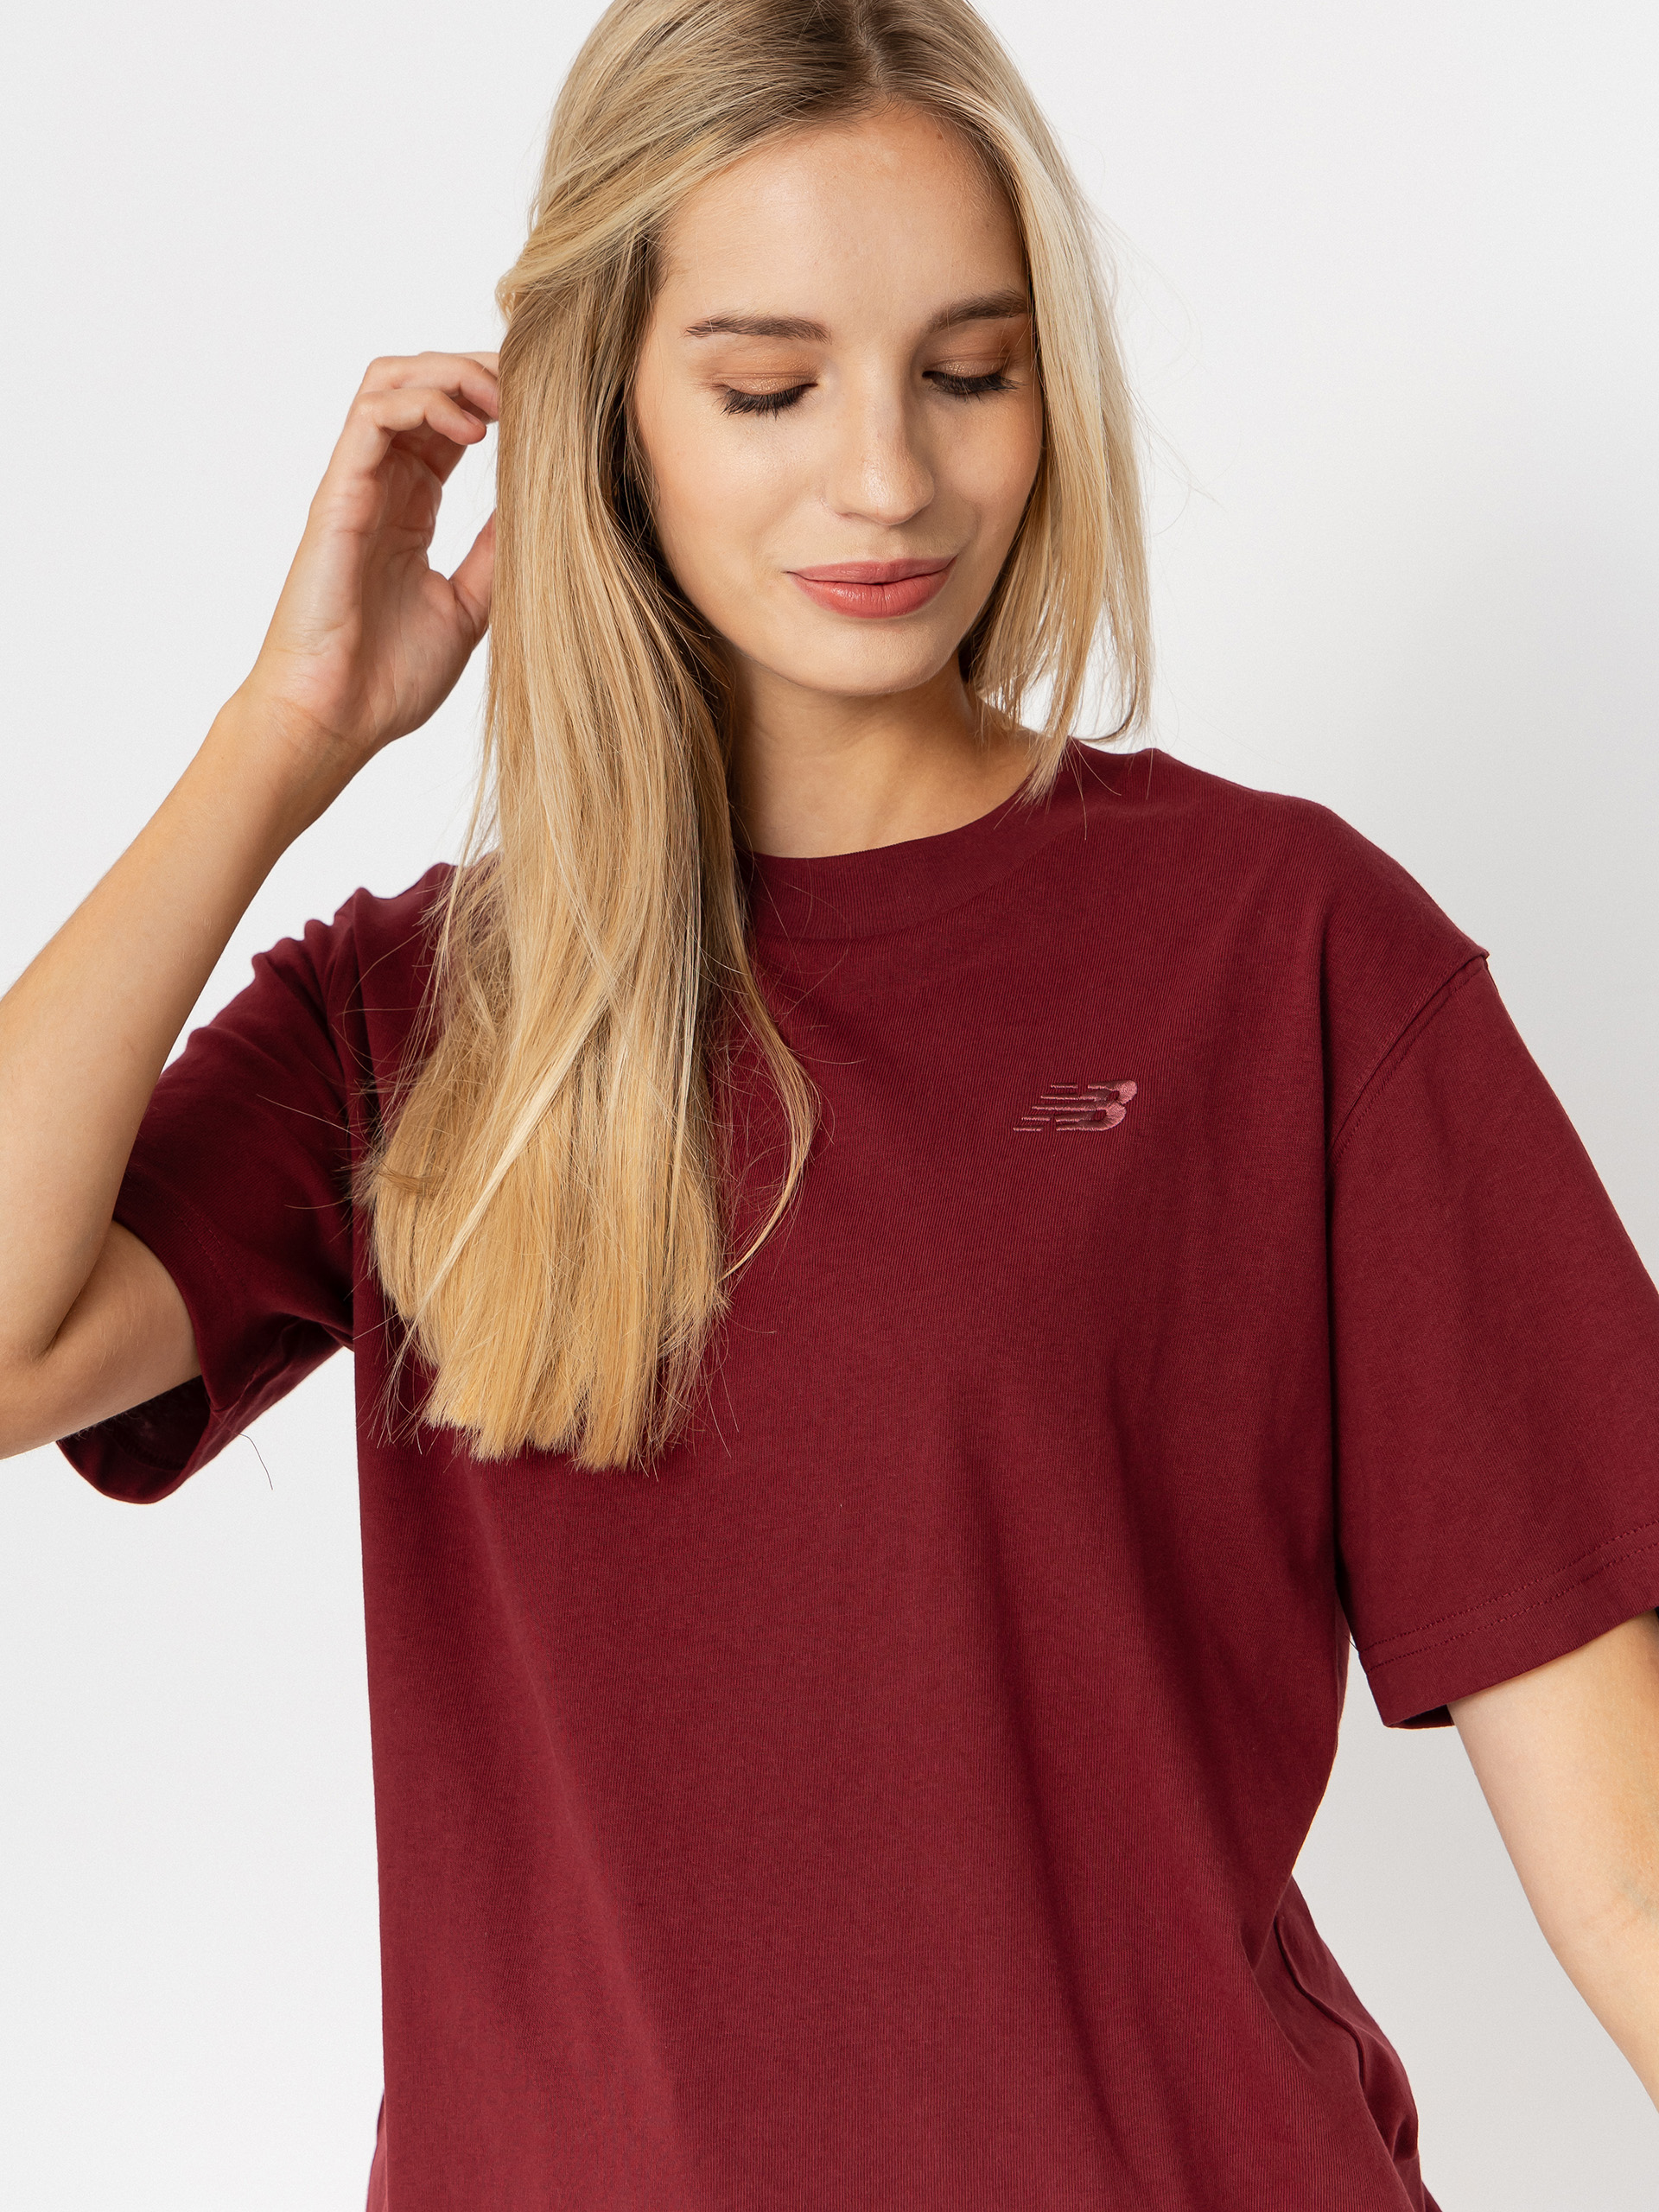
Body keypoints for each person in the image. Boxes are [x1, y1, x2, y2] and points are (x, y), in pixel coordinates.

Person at [2, 0, 1656, 2202]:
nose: (887, 477)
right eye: (769, 386)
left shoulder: (1288, 952)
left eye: (968, 371)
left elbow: (1625, 1859)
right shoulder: (421, 1018)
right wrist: (286, 733)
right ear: (605, 410)